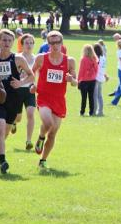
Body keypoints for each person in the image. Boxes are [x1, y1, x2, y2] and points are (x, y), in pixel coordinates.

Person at [31, 30, 77, 169]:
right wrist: (32, 84)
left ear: (62, 42)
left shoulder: (70, 60)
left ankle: (43, 160)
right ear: (48, 43)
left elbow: (76, 82)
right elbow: (31, 73)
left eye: (57, 42)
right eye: (52, 42)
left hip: (59, 100)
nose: (55, 45)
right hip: (44, 96)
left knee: (52, 134)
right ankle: (40, 136)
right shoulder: (41, 58)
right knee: (48, 122)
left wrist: (71, 79)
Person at [0, 29, 34, 174]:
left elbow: (31, 76)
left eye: (9, 40)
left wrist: (21, 83)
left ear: (13, 42)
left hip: (13, 100)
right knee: (0, 129)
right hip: (0, 99)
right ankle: (3, 161)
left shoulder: (18, 59)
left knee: (5, 133)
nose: (6, 43)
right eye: (4, 40)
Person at [16, 33, 37, 150]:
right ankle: (14, 122)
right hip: (18, 90)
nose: (29, 45)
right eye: (26, 43)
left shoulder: (36, 59)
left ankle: (28, 141)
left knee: (30, 113)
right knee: (18, 118)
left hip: (30, 90)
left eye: (31, 43)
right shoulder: (17, 58)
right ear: (22, 44)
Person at [77, 44, 98, 116]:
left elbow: (81, 71)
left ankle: (82, 111)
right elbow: (96, 69)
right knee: (91, 97)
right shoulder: (94, 59)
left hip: (84, 81)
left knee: (84, 98)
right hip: (92, 80)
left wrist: (78, 80)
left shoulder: (83, 59)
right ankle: (91, 112)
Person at [93, 43, 108, 116]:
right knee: (99, 95)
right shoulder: (103, 57)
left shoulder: (96, 58)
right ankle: (100, 111)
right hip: (101, 77)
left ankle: (94, 111)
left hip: (96, 78)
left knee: (94, 96)